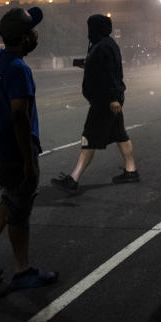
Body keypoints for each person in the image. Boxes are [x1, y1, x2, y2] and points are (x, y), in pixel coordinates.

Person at [0, 7, 57, 290]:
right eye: (33, 30)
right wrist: (28, 161)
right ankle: (22, 270)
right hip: (14, 152)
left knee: (8, 201)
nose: (37, 33)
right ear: (24, 37)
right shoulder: (19, 69)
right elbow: (19, 115)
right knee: (19, 210)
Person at [52, 14, 138, 191]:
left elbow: (110, 74)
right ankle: (131, 171)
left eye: (90, 27)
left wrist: (113, 99)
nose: (88, 31)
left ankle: (73, 179)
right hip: (109, 98)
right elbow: (99, 66)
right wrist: (83, 63)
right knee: (120, 135)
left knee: (89, 137)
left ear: (95, 28)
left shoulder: (102, 46)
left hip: (105, 100)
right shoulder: (106, 44)